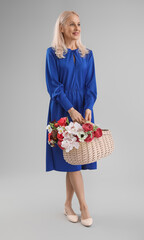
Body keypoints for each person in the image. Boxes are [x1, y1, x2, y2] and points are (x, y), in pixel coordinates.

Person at [45, 11, 98, 227]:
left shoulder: (88, 54)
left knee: (74, 160)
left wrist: (88, 107)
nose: (76, 28)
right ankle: (84, 205)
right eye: (71, 24)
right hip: (62, 110)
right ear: (61, 28)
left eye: (78, 24)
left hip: (82, 111)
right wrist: (70, 109)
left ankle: (68, 204)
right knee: (72, 159)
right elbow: (54, 86)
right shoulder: (52, 54)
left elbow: (91, 85)